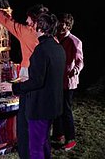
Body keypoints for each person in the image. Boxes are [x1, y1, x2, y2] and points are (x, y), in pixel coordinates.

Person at [0, 0, 49, 158]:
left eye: (29, 18)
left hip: (28, 84)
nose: (26, 20)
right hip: (44, 88)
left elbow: (7, 21)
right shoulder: (51, 39)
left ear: (36, 20)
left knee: (24, 126)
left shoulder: (26, 32)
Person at [0, 12, 66, 159]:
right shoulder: (58, 48)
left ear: (40, 28)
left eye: (34, 25)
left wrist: (13, 87)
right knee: (44, 144)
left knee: (36, 148)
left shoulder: (41, 50)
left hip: (40, 108)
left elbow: (36, 81)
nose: (32, 28)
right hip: (52, 106)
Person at [51, 13, 84, 151]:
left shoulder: (75, 41)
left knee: (66, 110)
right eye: (60, 22)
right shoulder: (56, 39)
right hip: (57, 80)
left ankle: (71, 139)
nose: (61, 25)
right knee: (57, 109)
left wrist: (76, 70)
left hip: (68, 82)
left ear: (68, 25)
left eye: (64, 23)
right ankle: (58, 134)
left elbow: (80, 61)